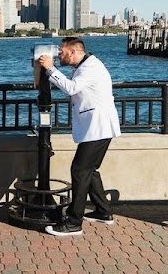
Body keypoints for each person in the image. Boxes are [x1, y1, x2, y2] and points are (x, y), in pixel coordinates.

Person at [38, 37, 121, 237]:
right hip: (96, 128)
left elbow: (71, 88)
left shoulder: (90, 68)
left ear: (74, 52)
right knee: (89, 170)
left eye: (62, 52)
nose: (59, 55)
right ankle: (104, 211)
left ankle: (74, 222)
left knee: (80, 170)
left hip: (98, 128)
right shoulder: (86, 65)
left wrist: (50, 69)